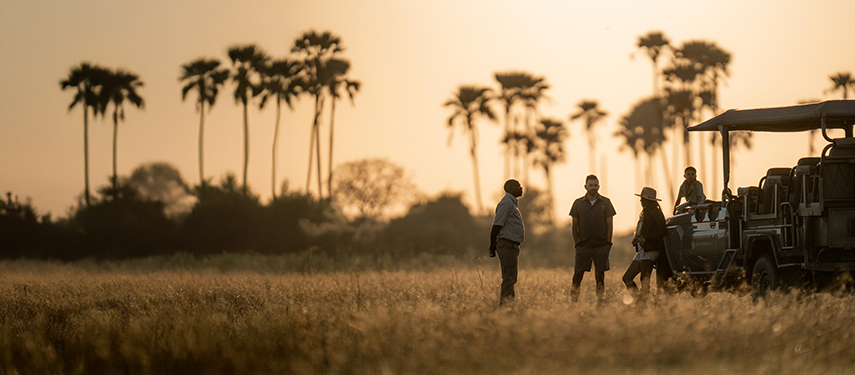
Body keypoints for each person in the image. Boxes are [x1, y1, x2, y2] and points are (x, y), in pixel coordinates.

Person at [569, 175, 616, 304]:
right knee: (577, 275)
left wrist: (608, 243)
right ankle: (573, 303)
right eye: (591, 185)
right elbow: (574, 226)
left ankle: (599, 304)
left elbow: (609, 225)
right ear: (586, 186)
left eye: (595, 185)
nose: (593, 188)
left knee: (600, 277)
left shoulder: (606, 203)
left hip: (601, 246)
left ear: (598, 186)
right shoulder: (578, 203)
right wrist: (577, 243)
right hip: (583, 246)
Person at [622, 187, 667, 303]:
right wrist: (637, 239)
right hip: (643, 249)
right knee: (627, 277)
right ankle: (639, 300)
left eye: (643, 199)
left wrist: (646, 238)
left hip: (651, 249)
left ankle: (640, 304)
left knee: (644, 280)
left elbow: (662, 230)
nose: (641, 201)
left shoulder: (655, 212)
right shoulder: (646, 212)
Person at [489, 179, 525, 305]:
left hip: (511, 245)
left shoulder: (511, 203)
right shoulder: (506, 203)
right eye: (518, 186)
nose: (521, 188)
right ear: (510, 188)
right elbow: (497, 225)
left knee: (511, 279)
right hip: (506, 244)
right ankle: (504, 309)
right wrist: (492, 245)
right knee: (509, 279)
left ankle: (510, 308)